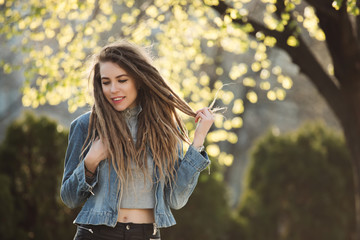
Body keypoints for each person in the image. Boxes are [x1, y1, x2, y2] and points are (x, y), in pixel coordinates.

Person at [60, 40, 215, 240]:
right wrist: (90, 162)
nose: (113, 89)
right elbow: (70, 198)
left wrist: (198, 142)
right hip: (95, 234)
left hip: (146, 235)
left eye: (122, 80)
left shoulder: (165, 128)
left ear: (139, 80)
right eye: (106, 82)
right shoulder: (86, 126)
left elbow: (176, 199)